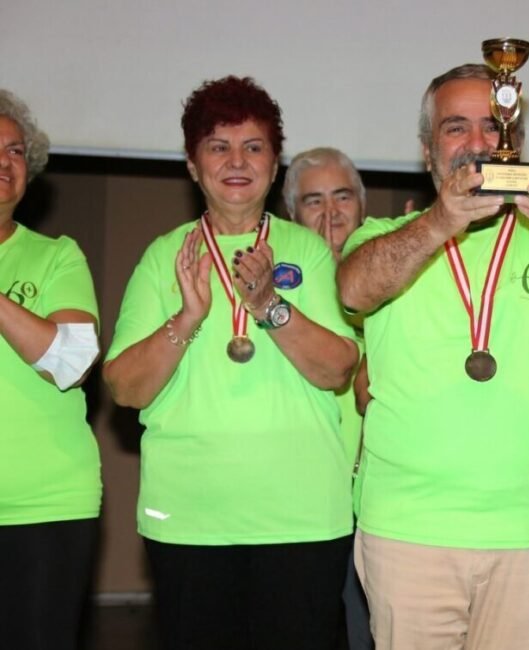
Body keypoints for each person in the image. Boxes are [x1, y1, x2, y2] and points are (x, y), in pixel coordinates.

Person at [337, 63, 529, 649]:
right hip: (408, 529)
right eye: (455, 128)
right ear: (427, 151)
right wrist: (440, 223)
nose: (476, 143)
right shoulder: (385, 235)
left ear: (514, 141)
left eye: (492, 126)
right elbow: (354, 289)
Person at [103, 76, 359, 650]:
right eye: (218, 146)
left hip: (301, 519)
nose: (237, 161)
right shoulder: (164, 257)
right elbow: (124, 388)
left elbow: (337, 369)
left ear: (275, 164)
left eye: (253, 146)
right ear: (193, 166)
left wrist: (269, 306)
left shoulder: (308, 251)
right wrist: (187, 318)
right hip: (190, 519)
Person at [0, 89, 101, 650]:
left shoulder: (58, 255)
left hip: (44, 506)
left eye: (15, 151)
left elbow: (71, 363)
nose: (4, 161)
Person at [283, 146, 372, 650]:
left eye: (342, 197)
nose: (330, 213)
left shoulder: (389, 278)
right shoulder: (273, 292)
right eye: (313, 200)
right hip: (301, 501)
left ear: (362, 207)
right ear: (291, 214)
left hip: (375, 501)